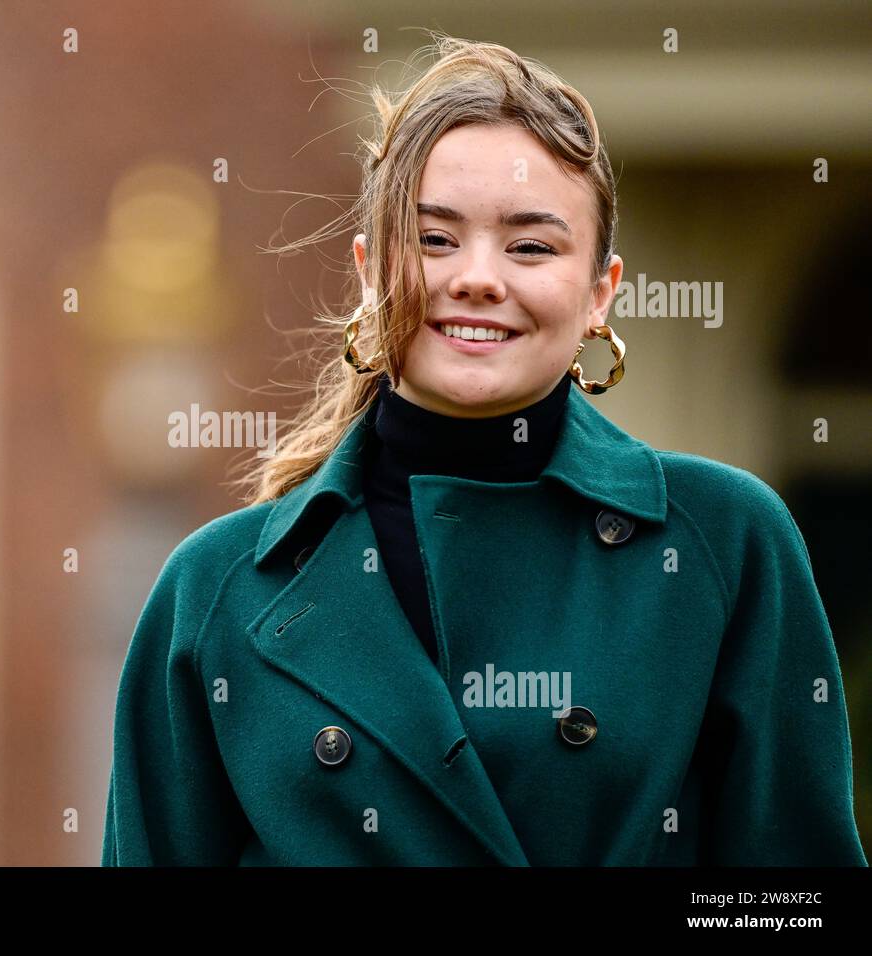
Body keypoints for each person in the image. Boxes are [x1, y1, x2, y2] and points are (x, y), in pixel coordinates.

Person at [100, 35, 867, 866]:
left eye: (531, 246)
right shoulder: (216, 591)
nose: (477, 277)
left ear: (600, 294)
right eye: (434, 239)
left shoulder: (724, 542)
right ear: (369, 271)